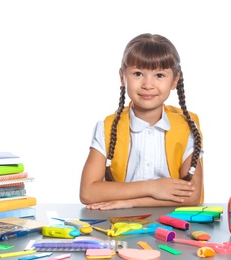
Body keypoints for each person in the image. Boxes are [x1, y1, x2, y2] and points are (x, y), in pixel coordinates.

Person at [79, 33, 204, 210]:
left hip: (173, 225)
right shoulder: (106, 128)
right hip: (118, 223)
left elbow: (192, 196)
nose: (148, 84)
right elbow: (87, 192)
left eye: (159, 75)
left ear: (175, 80)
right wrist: (153, 187)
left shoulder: (187, 127)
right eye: (138, 73)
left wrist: (131, 202)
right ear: (122, 77)